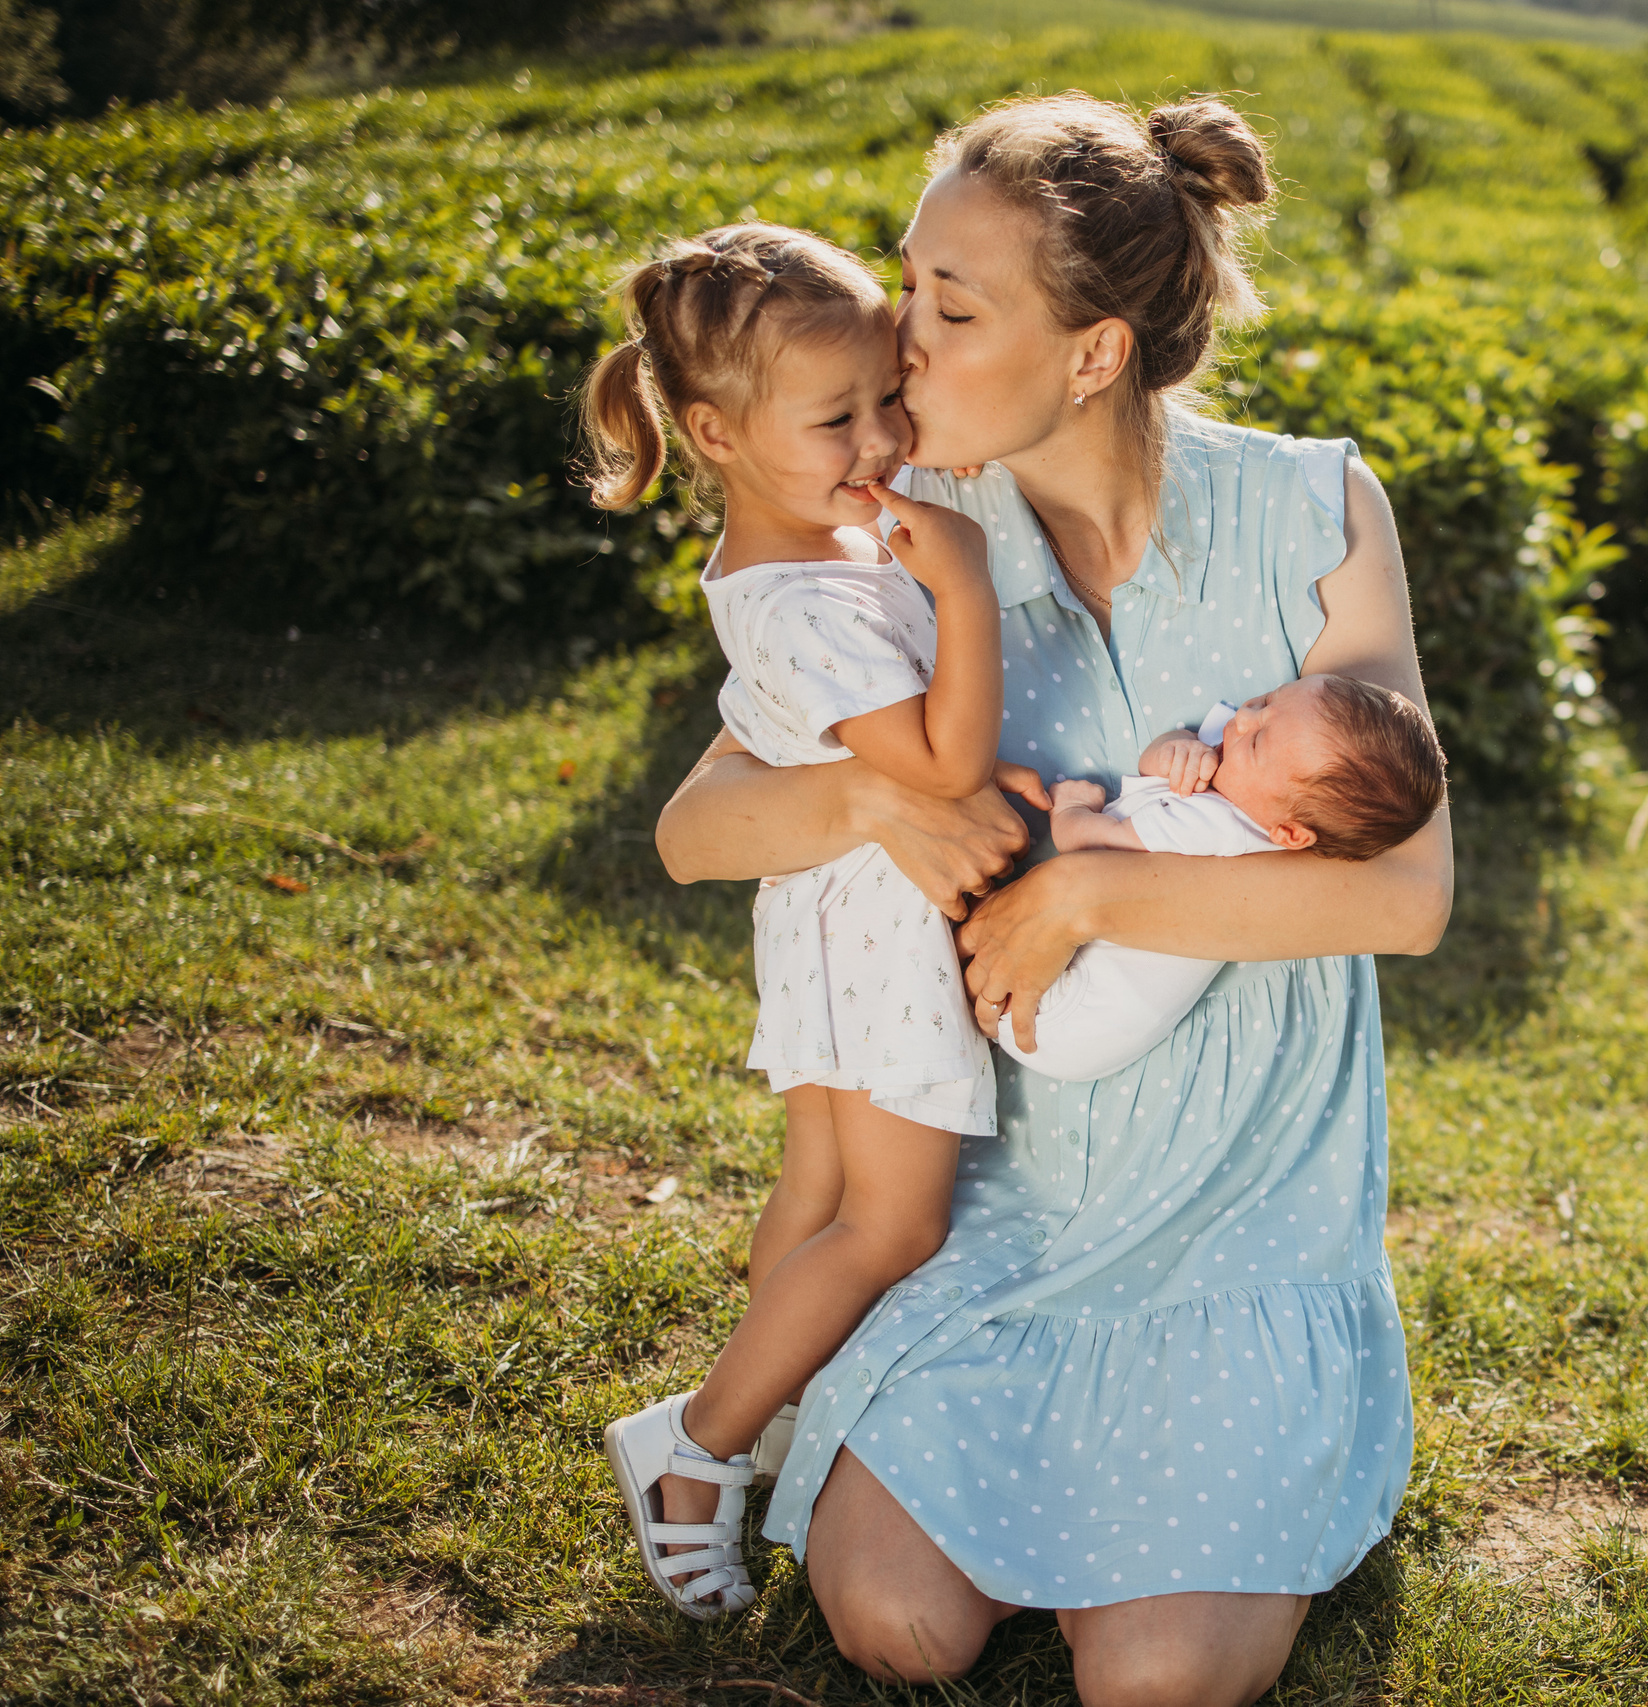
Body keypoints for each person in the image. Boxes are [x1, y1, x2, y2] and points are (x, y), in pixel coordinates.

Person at [654, 91, 1452, 1707]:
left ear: (1091, 351)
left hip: (1241, 1215)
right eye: (905, 283)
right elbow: (697, 829)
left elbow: (1408, 895)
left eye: (951, 307)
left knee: (1154, 1679)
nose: (897, 336)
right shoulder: (906, 546)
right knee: (894, 1620)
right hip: (1004, 1203)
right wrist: (873, 794)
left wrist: (1085, 887)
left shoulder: (1314, 512)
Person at [576, 221, 1047, 1620]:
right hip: (882, 941)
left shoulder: (814, 551)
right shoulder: (815, 600)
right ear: (715, 435)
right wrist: (959, 582)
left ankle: (763, 1417)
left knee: (821, 1195)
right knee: (891, 1225)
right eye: (837, 417)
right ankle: (698, 1446)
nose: (881, 436)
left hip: (833, 923)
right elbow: (941, 768)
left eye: (885, 400)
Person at [1007, 674, 1445, 1082]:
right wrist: (1177, 748)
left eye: (1255, 742)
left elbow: (1087, 848)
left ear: (1289, 833)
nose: (1242, 718)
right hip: (1076, 1026)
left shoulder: (1209, 828)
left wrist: (1071, 809)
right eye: (1265, 701)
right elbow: (1157, 765)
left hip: (1062, 1016)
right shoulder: (1259, 787)